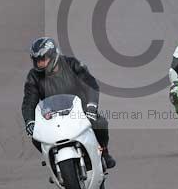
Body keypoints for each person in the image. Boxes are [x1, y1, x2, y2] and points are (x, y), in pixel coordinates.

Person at [21, 37, 116, 168]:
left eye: (43, 59)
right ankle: (53, 162)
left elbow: (90, 84)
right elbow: (29, 101)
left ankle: (103, 152)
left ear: (53, 55)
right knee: (36, 137)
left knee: (100, 123)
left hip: (79, 110)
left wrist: (91, 106)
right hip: (52, 115)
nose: (40, 64)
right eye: (37, 61)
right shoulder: (33, 76)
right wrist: (29, 120)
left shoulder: (72, 64)